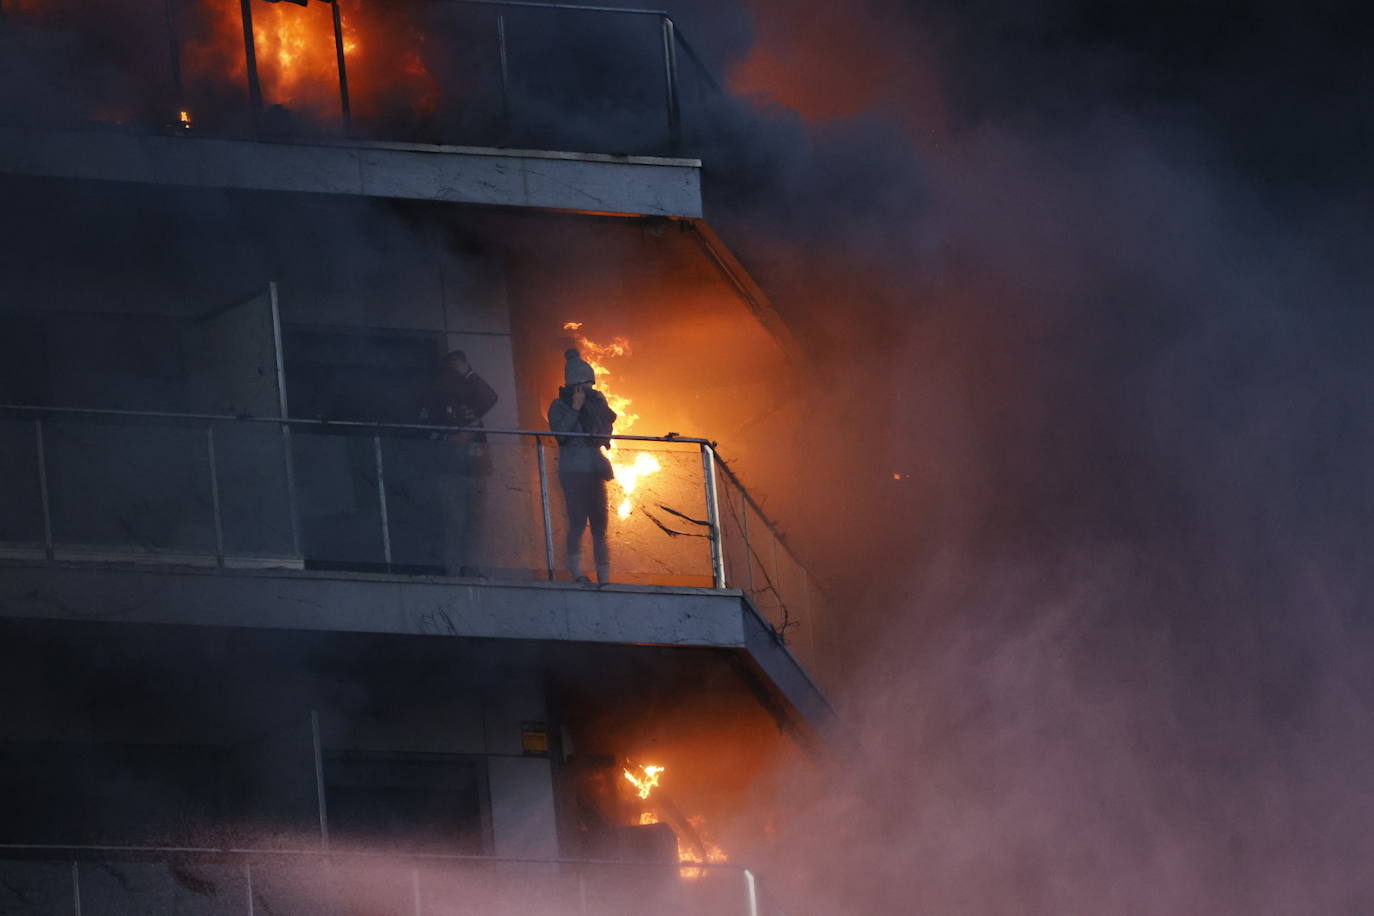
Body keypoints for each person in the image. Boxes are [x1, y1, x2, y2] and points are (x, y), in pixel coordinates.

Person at [420, 349, 498, 577]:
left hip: (476, 470)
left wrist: (470, 373)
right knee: (455, 523)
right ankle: (452, 572)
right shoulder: (434, 398)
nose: (457, 377)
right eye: (456, 369)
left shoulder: (472, 397)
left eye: (463, 370)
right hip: (450, 472)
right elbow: (424, 431)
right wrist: (451, 438)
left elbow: (491, 397)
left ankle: (470, 569)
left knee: (476, 524)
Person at [548, 348, 617, 584]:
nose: (590, 389)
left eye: (591, 384)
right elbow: (561, 435)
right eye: (585, 384)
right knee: (577, 522)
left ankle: (604, 577)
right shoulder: (559, 406)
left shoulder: (598, 406)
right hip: (573, 472)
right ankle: (576, 573)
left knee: (600, 527)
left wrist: (597, 415)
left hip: (595, 470)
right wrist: (575, 408)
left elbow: (605, 432)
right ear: (574, 385)